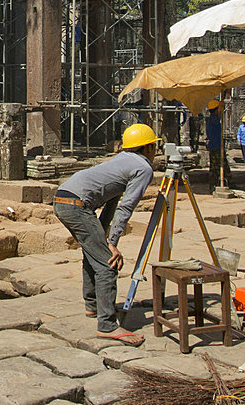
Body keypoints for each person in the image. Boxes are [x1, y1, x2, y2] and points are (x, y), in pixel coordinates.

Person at [52, 122, 158, 346]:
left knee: (95, 254)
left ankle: (93, 305)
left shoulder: (121, 161)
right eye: (153, 147)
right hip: (76, 205)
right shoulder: (144, 168)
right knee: (108, 264)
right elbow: (125, 207)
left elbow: (111, 202)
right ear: (148, 148)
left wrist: (105, 238)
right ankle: (108, 325)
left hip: (63, 197)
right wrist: (112, 244)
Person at [205, 100, 229, 187]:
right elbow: (219, 115)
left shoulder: (212, 119)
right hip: (216, 146)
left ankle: (215, 184)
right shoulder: (214, 119)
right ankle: (217, 183)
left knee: (215, 166)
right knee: (218, 166)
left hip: (215, 145)